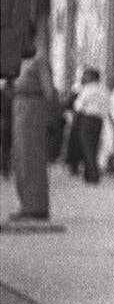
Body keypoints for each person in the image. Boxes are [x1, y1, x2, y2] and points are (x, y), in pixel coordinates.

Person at [9, 23, 58, 220]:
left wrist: (51, 116)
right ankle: (26, 204)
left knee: (32, 156)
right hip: (20, 107)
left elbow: (48, 90)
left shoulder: (39, 58)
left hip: (33, 108)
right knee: (20, 158)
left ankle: (36, 206)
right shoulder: (22, 59)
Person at [73, 67, 108, 185]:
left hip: (86, 119)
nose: (83, 77)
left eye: (85, 75)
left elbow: (78, 106)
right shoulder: (104, 90)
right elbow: (107, 106)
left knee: (87, 146)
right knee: (95, 145)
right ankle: (90, 172)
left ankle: (92, 174)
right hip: (99, 120)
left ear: (91, 77)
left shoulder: (86, 89)